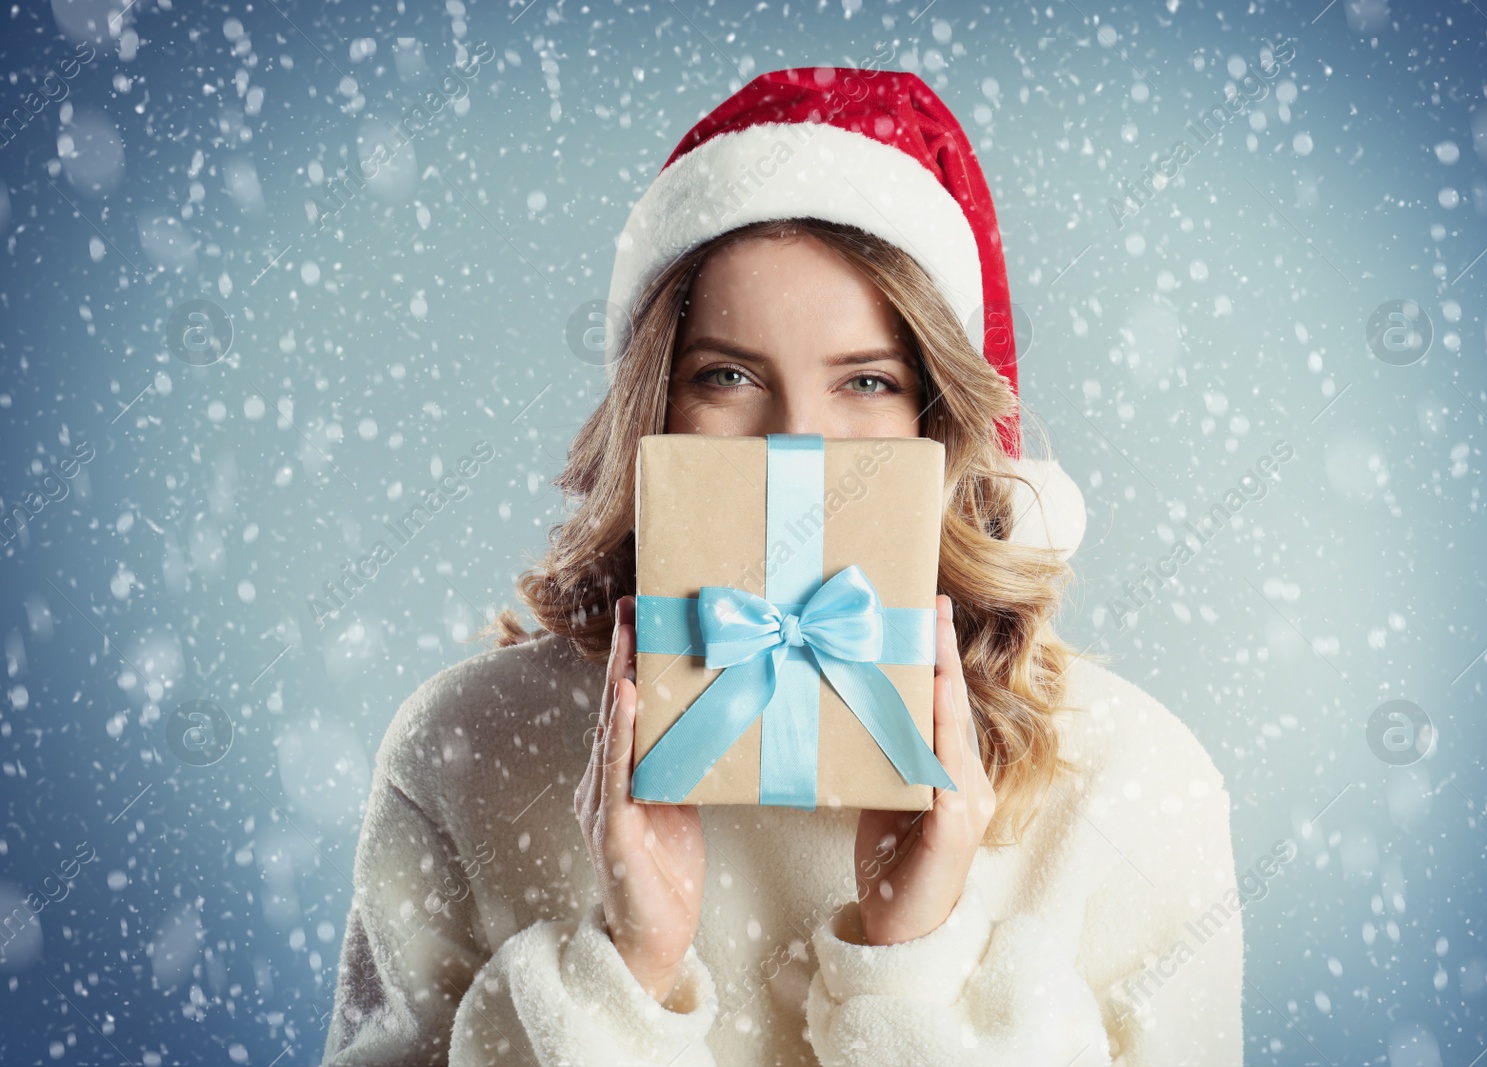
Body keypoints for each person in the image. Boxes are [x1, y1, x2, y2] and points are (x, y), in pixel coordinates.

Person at [322, 66, 1242, 1066]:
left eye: (867, 381)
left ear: (942, 417)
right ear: (654, 408)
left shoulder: (1128, 782)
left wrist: (913, 966)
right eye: (726, 374)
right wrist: (622, 972)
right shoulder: (467, 750)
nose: (797, 443)